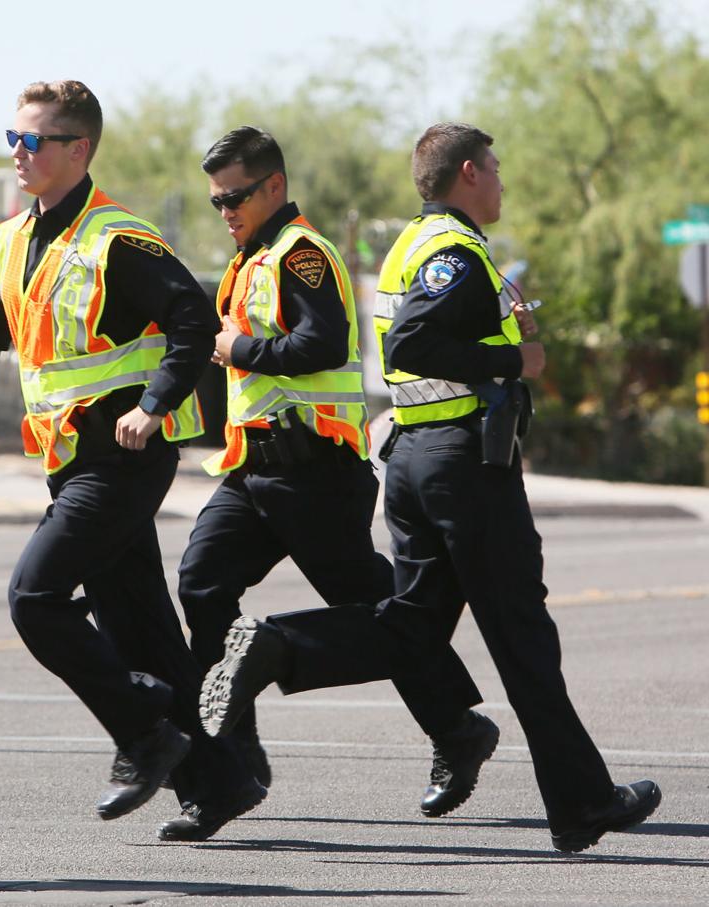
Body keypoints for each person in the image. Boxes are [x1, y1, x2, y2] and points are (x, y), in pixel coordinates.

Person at [198, 122, 661, 853]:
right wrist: (513, 358)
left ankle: (277, 646)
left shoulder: (416, 242)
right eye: (497, 169)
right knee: (521, 635)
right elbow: (412, 340)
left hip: (417, 458)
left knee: (410, 626)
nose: (503, 182)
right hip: (462, 466)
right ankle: (582, 803)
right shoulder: (452, 251)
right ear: (470, 172)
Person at [0, 80, 264, 842]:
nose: (16, 153)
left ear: (79, 149)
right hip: (71, 457)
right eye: (12, 138)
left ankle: (143, 734)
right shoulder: (10, 239)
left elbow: (193, 322)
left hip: (127, 455)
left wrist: (157, 403)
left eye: (32, 141)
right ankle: (219, 777)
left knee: (34, 597)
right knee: (141, 628)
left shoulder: (121, 239)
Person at [178, 126, 497, 814]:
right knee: (201, 585)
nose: (225, 210)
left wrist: (238, 347)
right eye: (215, 202)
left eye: (235, 196)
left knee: (379, 618)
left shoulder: (303, 256)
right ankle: (235, 760)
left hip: (315, 472)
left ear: (274, 187)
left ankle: (457, 727)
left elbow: (320, 344)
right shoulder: (247, 259)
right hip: (250, 471)